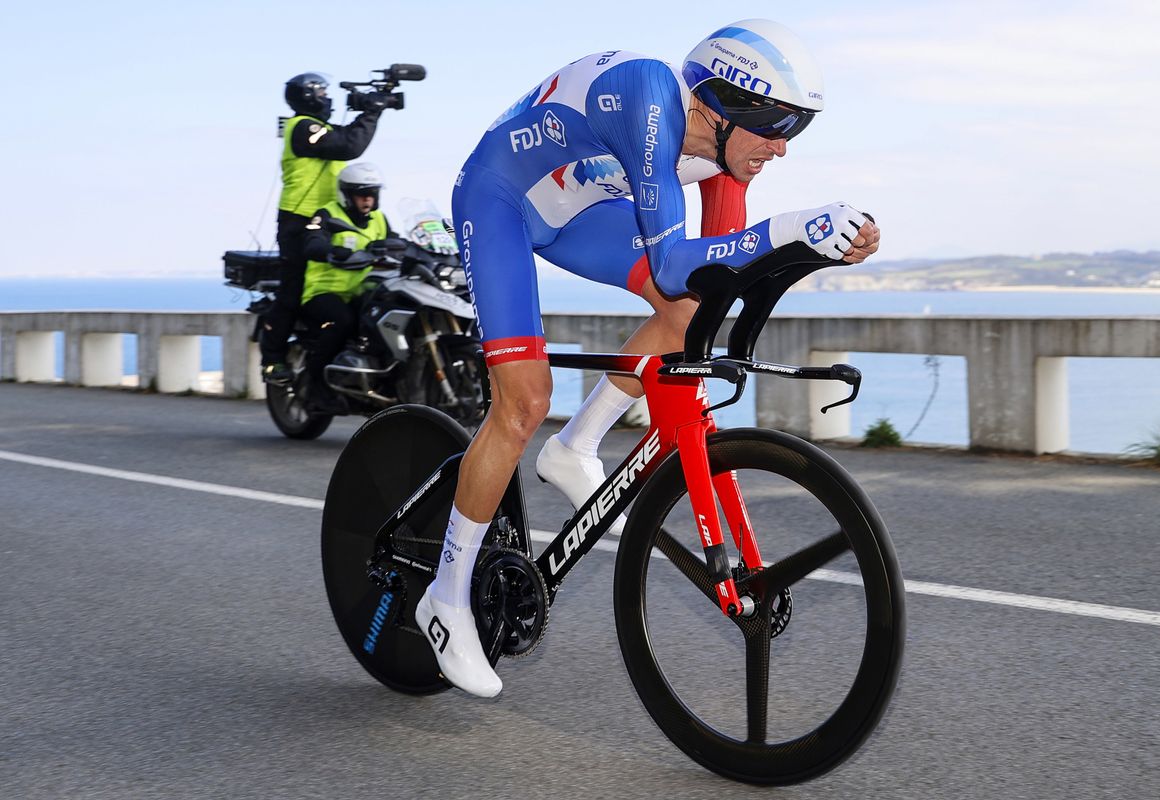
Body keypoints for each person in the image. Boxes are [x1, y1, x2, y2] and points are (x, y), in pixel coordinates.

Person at [417, 18, 882, 697]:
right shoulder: (649, 94)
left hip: (580, 209)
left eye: (797, 130)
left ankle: (577, 446)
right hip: (502, 198)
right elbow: (670, 263)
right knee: (523, 405)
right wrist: (791, 229)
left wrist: (817, 248)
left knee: (688, 319)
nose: (783, 150)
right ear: (727, 103)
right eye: (779, 126)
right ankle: (447, 595)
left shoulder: (726, 160)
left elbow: (710, 281)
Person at [260, 73, 392, 385]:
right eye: (320, 91)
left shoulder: (321, 129)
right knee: (292, 290)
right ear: (307, 97)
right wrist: (372, 112)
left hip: (329, 217)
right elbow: (349, 146)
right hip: (298, 219)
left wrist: (372, 107)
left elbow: (346, 138)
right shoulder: (304, 127)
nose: (326, 97)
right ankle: (273, 360)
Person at [297, 162, 393, 412]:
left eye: (372, 194)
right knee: (343, 321)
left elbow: (396, 241)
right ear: (347, 194)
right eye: (362, 194)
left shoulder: (379, 219)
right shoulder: (328, 215)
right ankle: (314, 387)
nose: (367, 200)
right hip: (323, 291)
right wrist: (332, 250)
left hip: (362, 290)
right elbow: (312, 242)